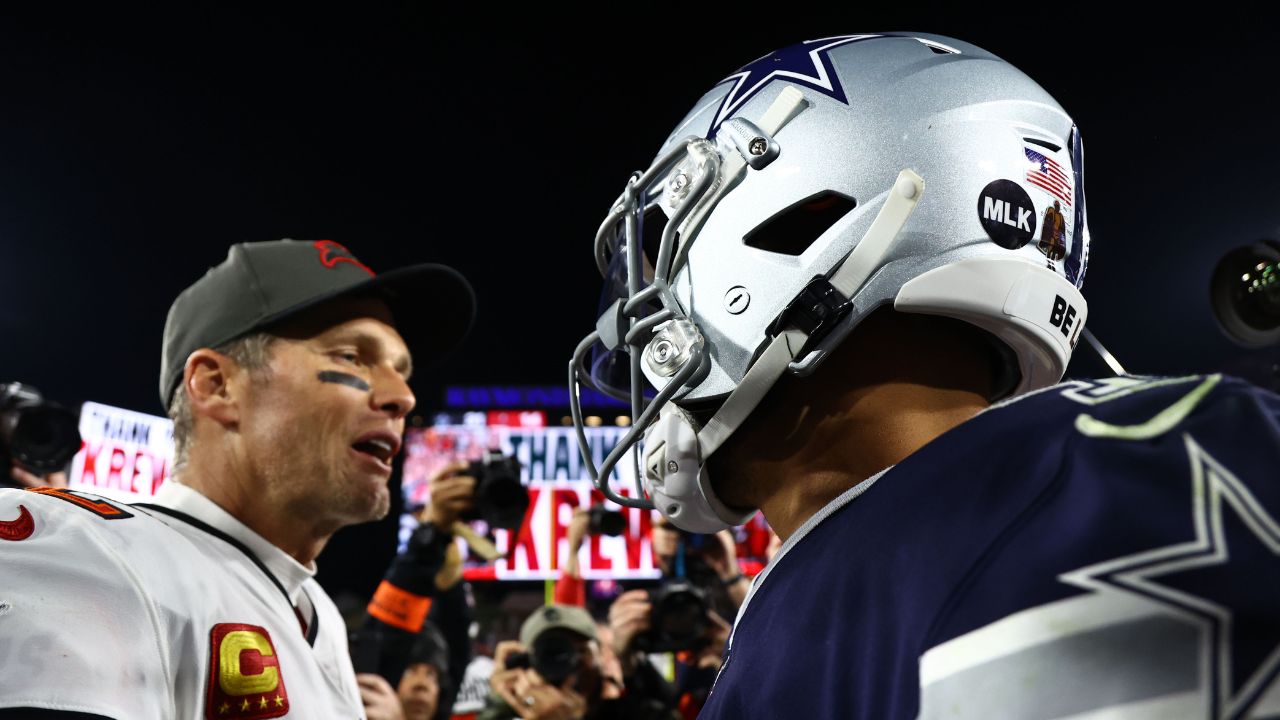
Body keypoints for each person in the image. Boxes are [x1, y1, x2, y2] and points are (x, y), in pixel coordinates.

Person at [567, 33, 1280, 718]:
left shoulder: (1143, 466)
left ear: (798, 227)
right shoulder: (1155, 454)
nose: (637, 327)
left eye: (667, 261)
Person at [0, 238, 474, 718]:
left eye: (401, 370)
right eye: (350, 356)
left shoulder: (315, 611)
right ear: (216, 385)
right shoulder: (78, 548)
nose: (404, 397)